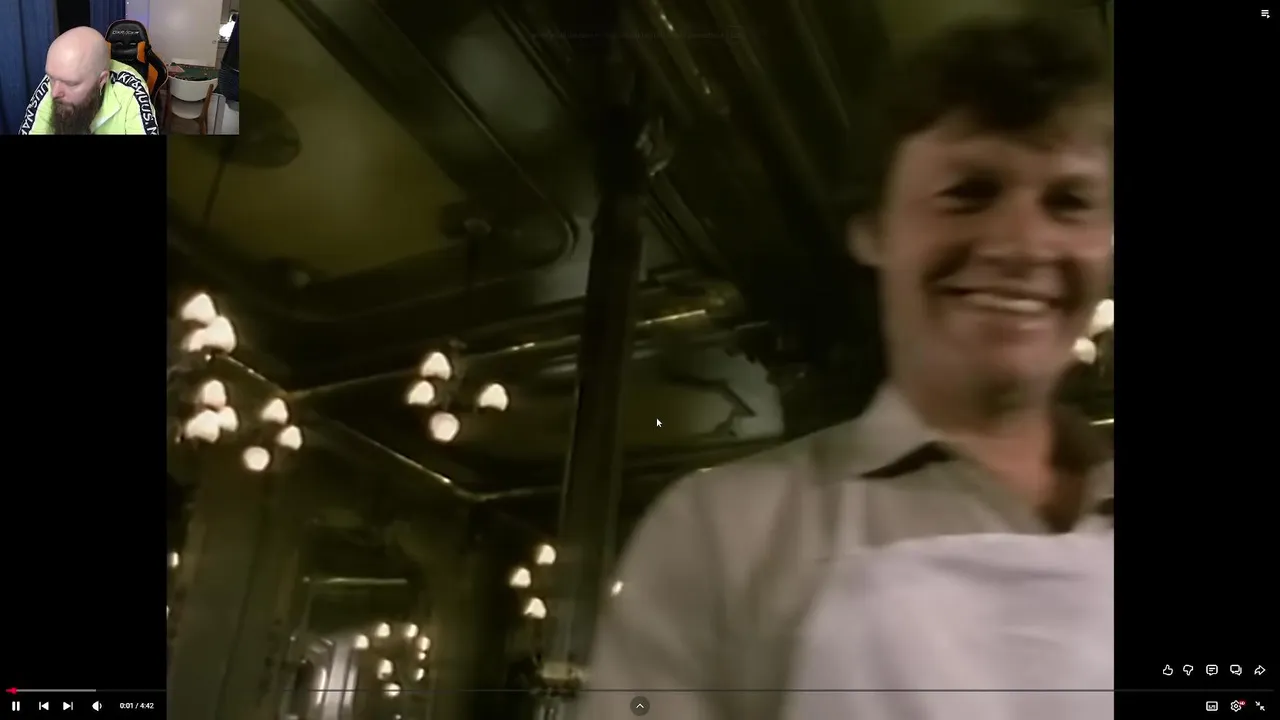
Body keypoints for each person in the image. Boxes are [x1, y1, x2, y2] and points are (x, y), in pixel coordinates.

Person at [581, 12, 1113, 720]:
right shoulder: (718, 532)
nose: (1023, 243)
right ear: (873, 230)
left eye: (1070, 202)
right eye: (969, 191)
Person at [19, 26, 160, 135]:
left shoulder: (131, 89)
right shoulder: (56, 80)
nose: (54, 93)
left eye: (71, 84)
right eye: (51, 77)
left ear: (101, 80)